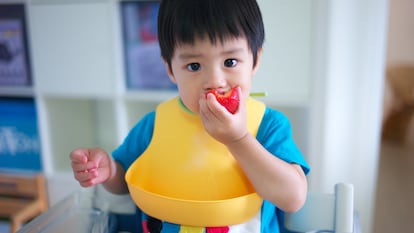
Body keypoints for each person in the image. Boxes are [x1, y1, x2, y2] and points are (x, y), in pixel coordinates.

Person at [70, 0, 310, 232]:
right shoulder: (156, 125)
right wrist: (109, 170)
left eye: (230, 61)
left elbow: (293, 198)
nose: (215, 81)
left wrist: (238, 139)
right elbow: (125, 180)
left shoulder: (268, 125)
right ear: (170, 69)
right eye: (194, 66)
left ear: (255, 59)